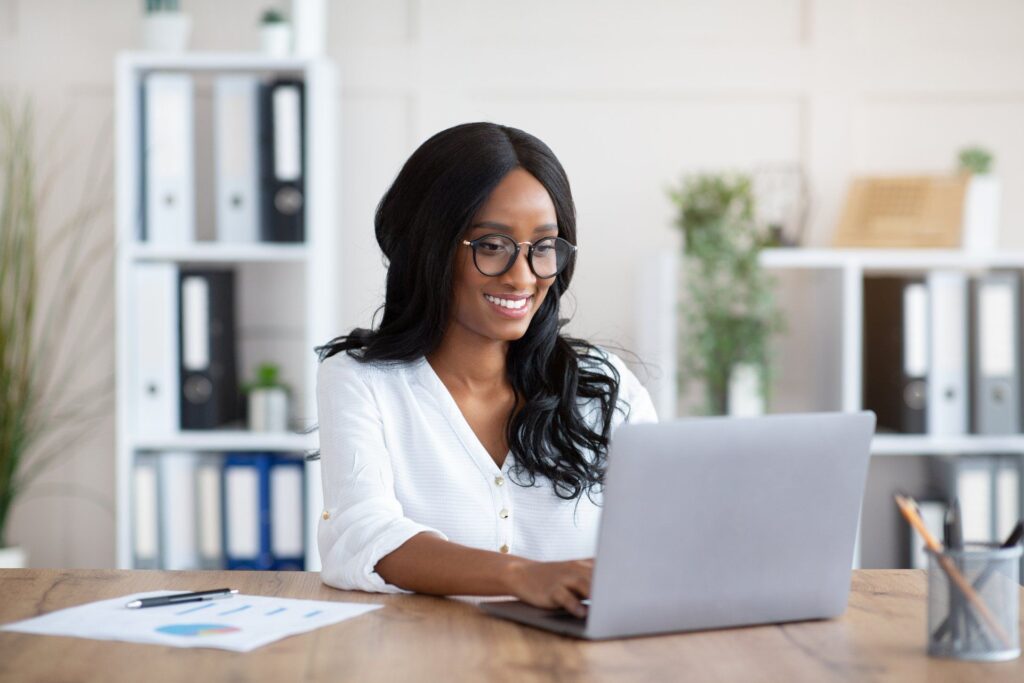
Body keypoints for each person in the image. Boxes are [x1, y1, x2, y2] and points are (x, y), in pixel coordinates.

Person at [315, 122, 657, 618]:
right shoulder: (361, 381)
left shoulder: (604, 386)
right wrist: (523, 576)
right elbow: (361, 536)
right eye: (492, 245)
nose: (523, 276)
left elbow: (665, 535)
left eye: (543, 247)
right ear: (429, 247)